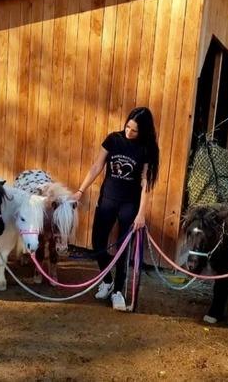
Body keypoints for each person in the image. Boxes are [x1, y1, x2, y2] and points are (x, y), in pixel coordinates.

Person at [72, 107, 160, 310]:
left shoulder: (146, 149)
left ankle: (119, 291)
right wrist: (80, 190)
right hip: (108, 199)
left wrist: (141, 214)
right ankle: (107, 280)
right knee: (97, 242)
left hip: (130, 204)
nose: (129, 132)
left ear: (144, 131)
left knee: (122, 249)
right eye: (127, 126)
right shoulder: (113, 139)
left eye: (134, 130)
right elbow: (96, 166)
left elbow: (146, 183)